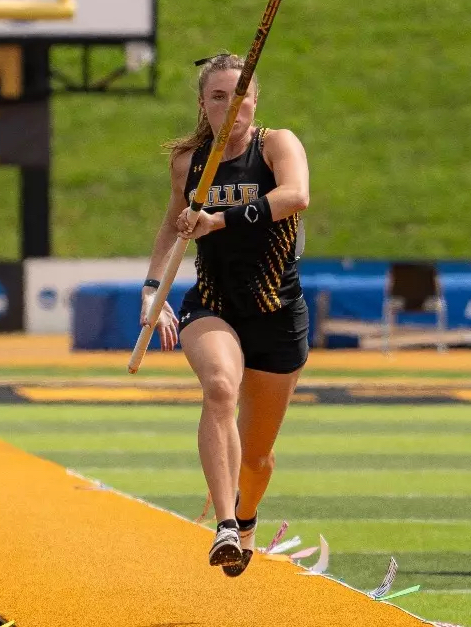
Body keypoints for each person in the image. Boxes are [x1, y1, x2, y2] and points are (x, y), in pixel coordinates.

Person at [142, 52, 311, 577]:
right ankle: (224, 526)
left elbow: (295, 196)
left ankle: (246, 513)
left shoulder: (276, 144)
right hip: (212, 305)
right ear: (203, 103)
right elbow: (174, 224)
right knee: (218, 387)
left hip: (277, 314)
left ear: (254, 100)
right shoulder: (188, 161)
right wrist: (152, 288)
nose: (230, 105)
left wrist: (219, 220)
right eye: (219, 96)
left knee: (257, 458)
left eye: (239, 95)